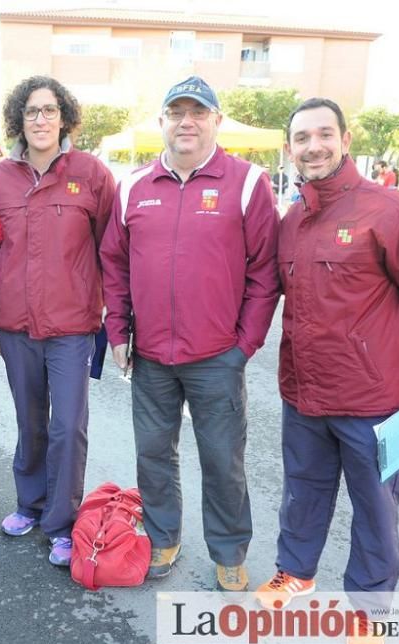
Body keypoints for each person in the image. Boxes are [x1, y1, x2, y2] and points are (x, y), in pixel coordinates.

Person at [253, 98, 399, 644]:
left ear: (344, 140)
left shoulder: (385, 209)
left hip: (372, 397)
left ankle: (370, 610)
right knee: (303, 490)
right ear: (288, 148)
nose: (312, 146)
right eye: (301, 137)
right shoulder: (292, 219)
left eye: (324, 134)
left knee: (375, 505)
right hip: (304, 391)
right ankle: (295, 572)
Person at [100, 76, 280, 591]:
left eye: (198, 112)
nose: (187, 121)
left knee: (223, 458)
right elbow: (114, 263)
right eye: (176, 112)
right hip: (152, 354)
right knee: (154, 454)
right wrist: (118, 330)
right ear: (162, 122)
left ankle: (228, 550)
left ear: (216, 121)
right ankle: (163, 537)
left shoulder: (246, 182)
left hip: (217, 355)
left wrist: (245, 344)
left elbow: (265, 272)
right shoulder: (133, 185)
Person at [0, 76, 115, 567]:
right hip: (15, 324)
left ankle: (61, 523)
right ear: (19, 119)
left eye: (49, 110)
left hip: (73, 326)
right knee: (30, 421)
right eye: (31, 111)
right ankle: (29, 504)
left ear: (64, 117)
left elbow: (111, 249)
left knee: (68, 425)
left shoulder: (91, 174)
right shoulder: (1, 178)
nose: (40, 119)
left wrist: (115, 316)